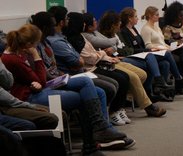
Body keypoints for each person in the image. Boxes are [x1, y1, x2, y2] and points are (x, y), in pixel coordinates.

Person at [1, 24, 134, 154]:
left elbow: (41, 77)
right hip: (29, 96)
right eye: (36, 44)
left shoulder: (22, 52)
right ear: (30, 44)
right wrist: (37, 57)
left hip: (42, 88)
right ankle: (93, 141)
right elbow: (40, 79)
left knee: (92, 87)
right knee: (84, 98)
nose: (37, 47)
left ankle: (101, 129)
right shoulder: (14, 58)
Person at [64, 12, 167, 120]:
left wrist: (108, 53)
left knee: (142, 73)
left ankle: (130, 98)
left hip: (107, 59)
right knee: (130, 77)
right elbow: (104, 48)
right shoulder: (86, 36)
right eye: (93, 21)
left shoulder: (90, 34)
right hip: (98, 64)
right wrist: (106, 52)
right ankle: (145, 106)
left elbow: (110, 45)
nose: (96, 22)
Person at [119, 7, 183, 94]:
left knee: (166, 63)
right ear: (129, 18)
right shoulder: (126, 31)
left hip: (147, 53)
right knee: (167, 55)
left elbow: (159, 42)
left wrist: (167, 47)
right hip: (140, 55)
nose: (138, 18)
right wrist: (154, 49)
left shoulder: (135, 29)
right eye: (136, 16)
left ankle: (162, 90)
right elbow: (133, 48)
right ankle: (178, 79)